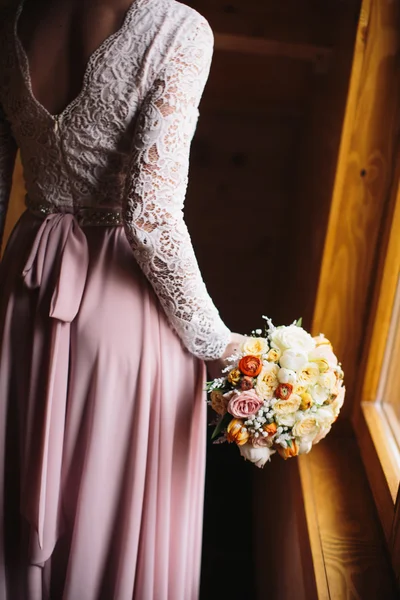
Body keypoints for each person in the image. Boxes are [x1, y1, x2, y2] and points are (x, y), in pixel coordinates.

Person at [0, 0, 244, 597]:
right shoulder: (178, 28)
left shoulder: (11, 18)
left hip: (21, 291)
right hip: (122, 311)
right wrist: (221, 345)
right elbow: (151, 219)